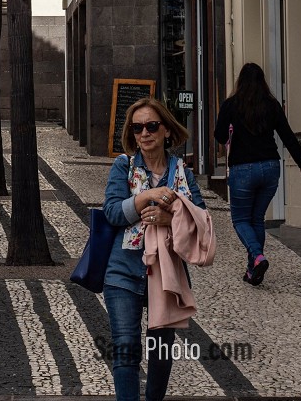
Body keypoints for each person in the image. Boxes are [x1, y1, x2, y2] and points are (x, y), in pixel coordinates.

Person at [102, 98, 205, 401]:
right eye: (137, 128)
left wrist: (169, 217)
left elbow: (200, 217)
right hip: (122, 271)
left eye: (151, 126)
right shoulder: (124, 166)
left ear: (166, 131)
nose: (144, 133)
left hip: (166, 274)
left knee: (160, 354)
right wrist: (147, 195)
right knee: (125, 349)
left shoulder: (182, 172)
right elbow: (111, 212)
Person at [214, 62, 301, 285]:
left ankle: (258, 257)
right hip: (270, 167)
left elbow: (220, 136)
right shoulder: (272, 105)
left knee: (240, 220)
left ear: (240, 82)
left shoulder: (231, 104)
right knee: (256, 218)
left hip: (243, 169)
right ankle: (253, 270)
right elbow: (287, 135)